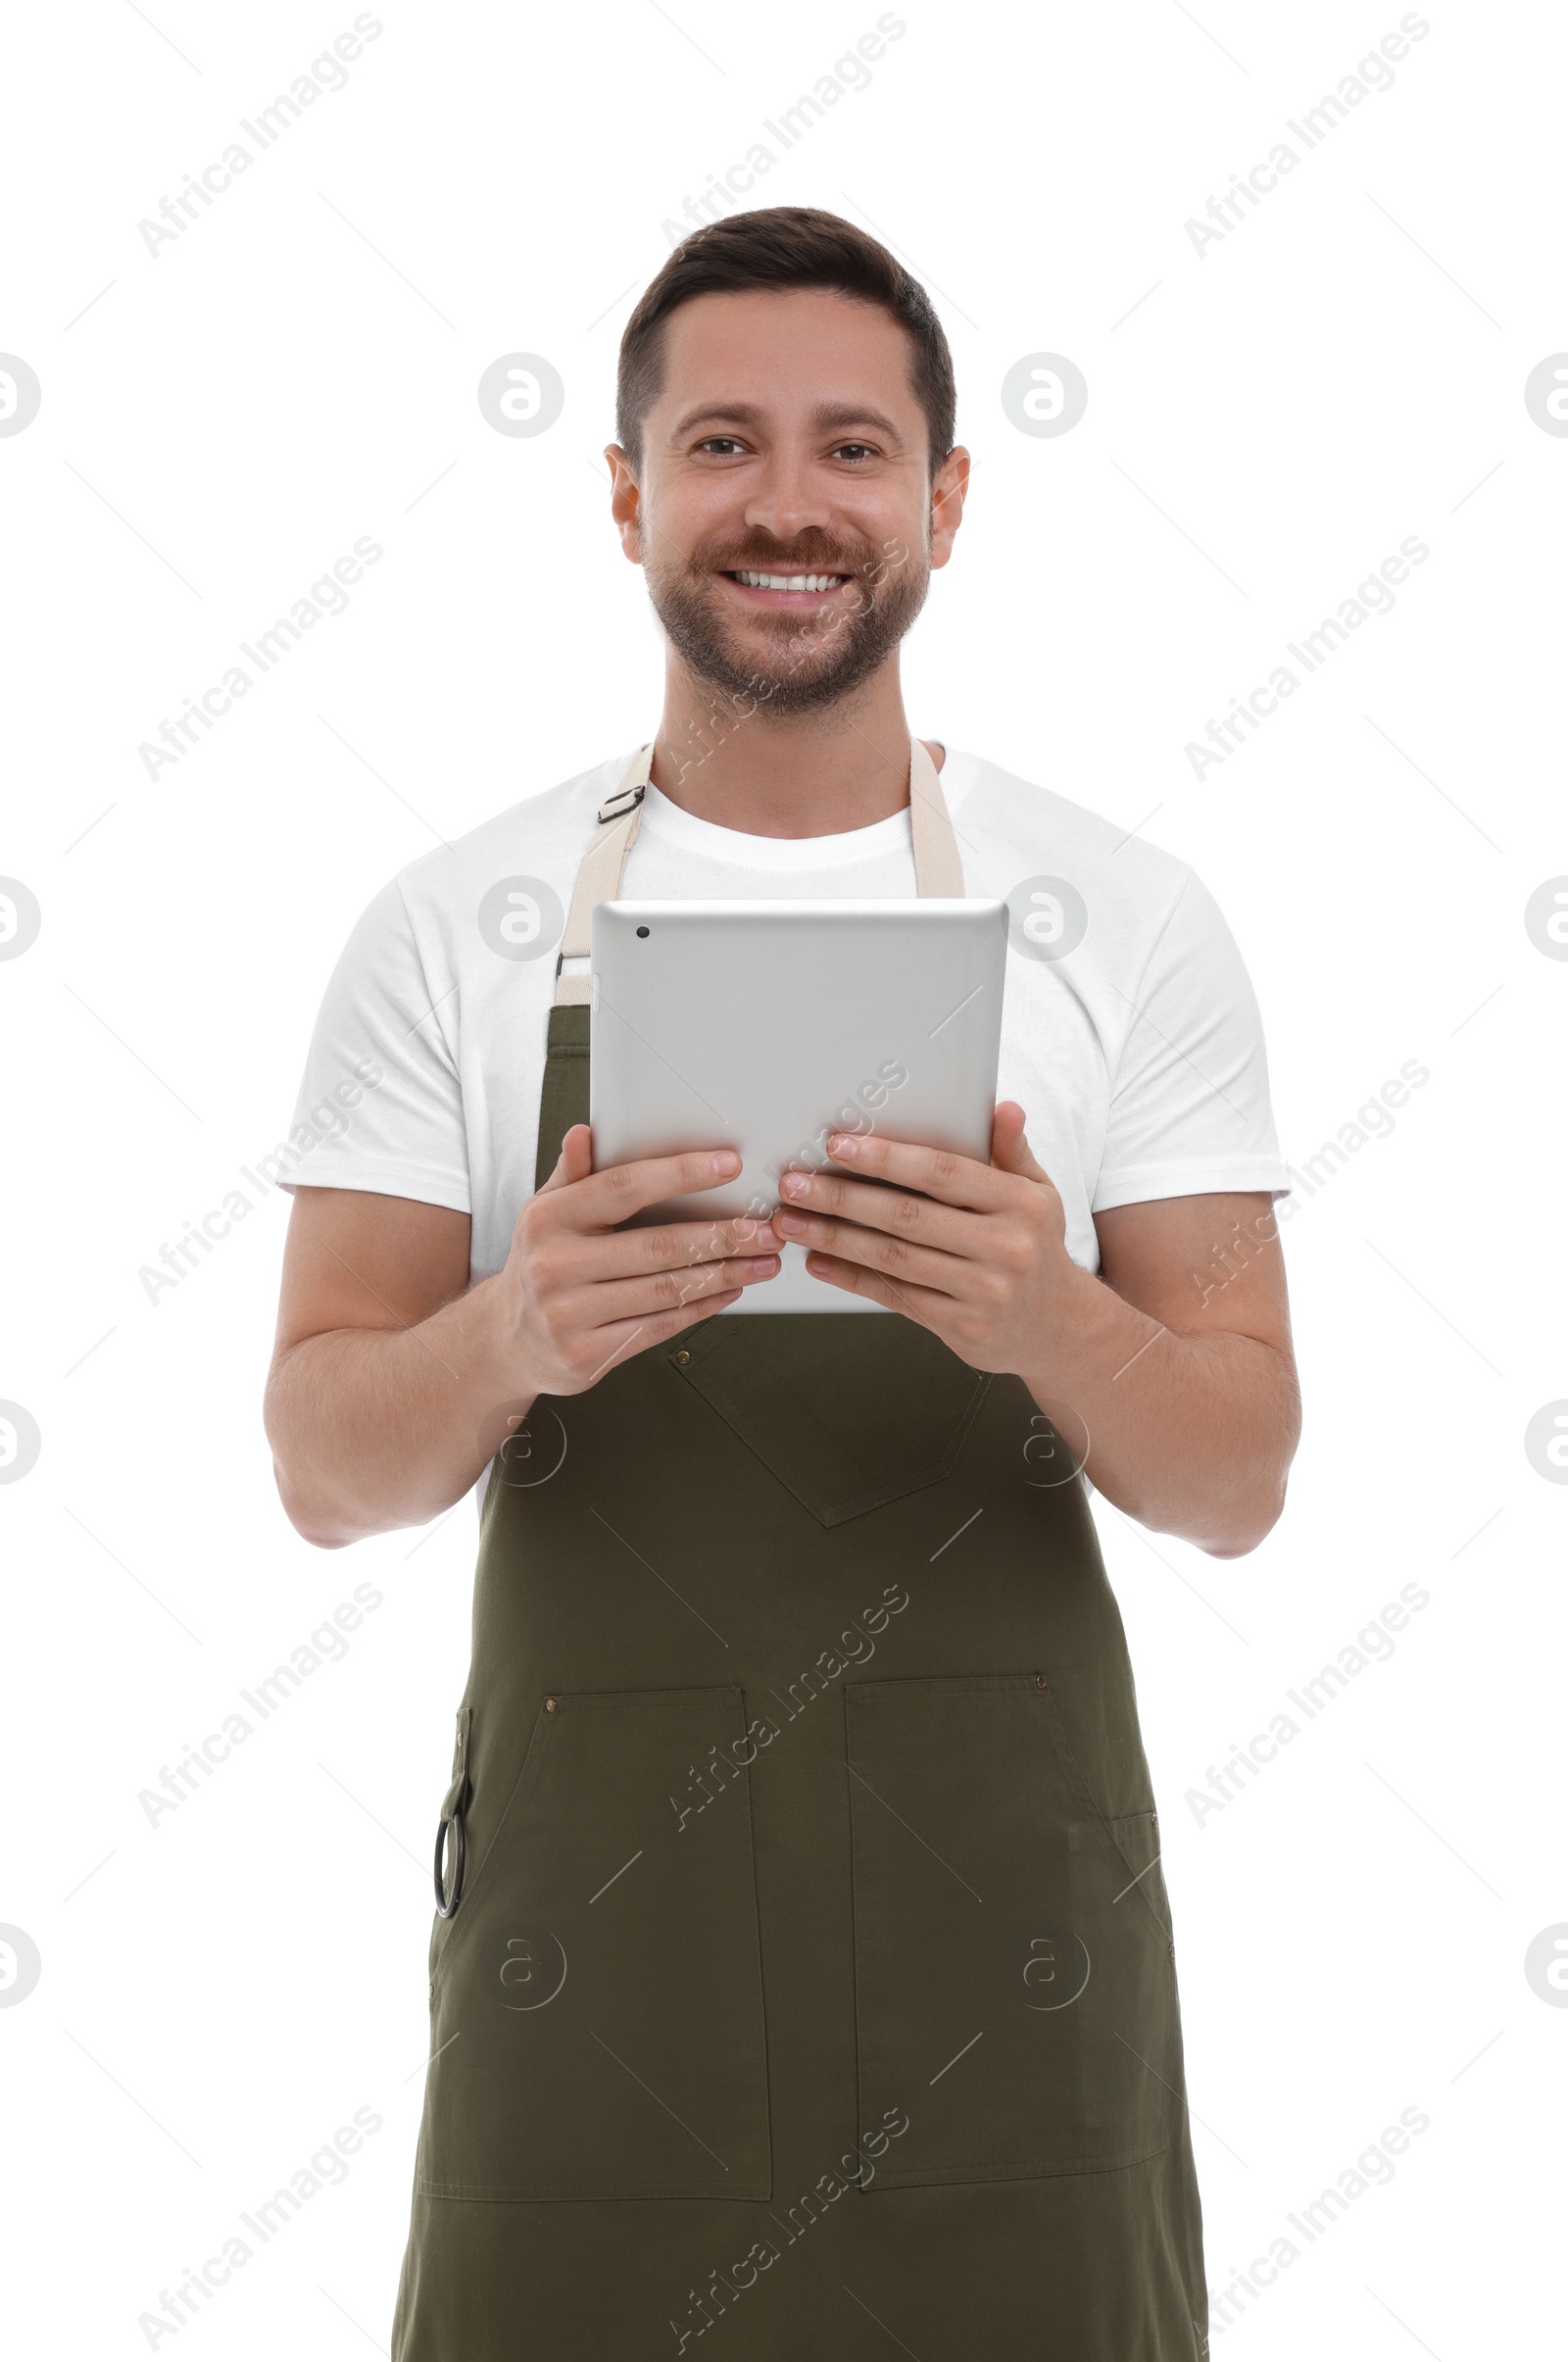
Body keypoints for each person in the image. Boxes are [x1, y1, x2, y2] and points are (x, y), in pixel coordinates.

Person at [265, 205, 1299, 2361]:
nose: (788, 503)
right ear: (630, 494)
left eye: (852, 445)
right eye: (721, 443)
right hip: (597, 1942)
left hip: (1006, 1946)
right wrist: (510, 1330)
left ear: (940, 499)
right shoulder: (452, 926)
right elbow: (323, 1464)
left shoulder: (1120, 917)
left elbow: (1234, 1471)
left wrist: (1044, 1315)